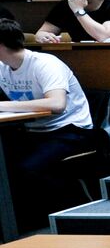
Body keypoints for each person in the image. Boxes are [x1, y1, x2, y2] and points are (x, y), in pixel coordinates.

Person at [0, 18, 95, 231]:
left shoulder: (45, 63)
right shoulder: (3, 67)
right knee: (6, 168)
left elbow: (57, 103)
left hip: (70, 129)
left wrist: (4, 105)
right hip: (32, 130)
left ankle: (72, 213)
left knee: (30, 168)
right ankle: (20, 224)